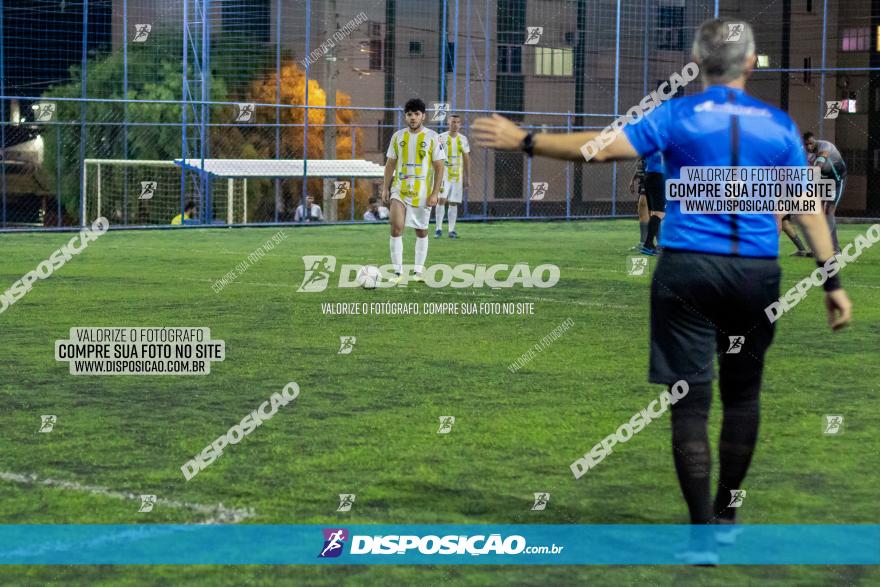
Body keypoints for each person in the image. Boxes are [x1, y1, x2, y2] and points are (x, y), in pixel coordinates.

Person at [472, 18, 851, 564]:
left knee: (689, 405)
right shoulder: (780, 125)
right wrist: (832, 281)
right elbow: (807, 210)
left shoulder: (679, 114)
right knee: (743, 397)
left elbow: (599, 150)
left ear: (699, 61)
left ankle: (701, 536)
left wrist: (524, 139)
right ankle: (727, 517)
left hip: (689, 271)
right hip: (754, 274)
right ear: (749, 64)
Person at [382, 98, 446, 282]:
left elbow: (439, 166)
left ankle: (418, 271)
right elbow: (390, 164)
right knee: (396, 228)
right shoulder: (398, 137)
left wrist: (435, 193)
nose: (413, 118)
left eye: (417, 114)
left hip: (422, 193)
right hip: (399, 189)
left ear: (423, 116)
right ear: (405, 116)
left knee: (421, 231)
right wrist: (386, 187)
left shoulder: (433, 137)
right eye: (409, 114)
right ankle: (397, 273)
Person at [804, 131, 847, 253]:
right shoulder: (807, 154)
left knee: (829, 211)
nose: (809, 147)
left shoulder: (825, 146)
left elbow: (819, 166)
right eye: (806, 144)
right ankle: (835, 248)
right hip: (825, 182)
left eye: (811, 143)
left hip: (838, 180)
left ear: (815, 141)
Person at [436, 113, 471, 239]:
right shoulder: (440, 138)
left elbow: (466, 158)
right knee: (441, 200)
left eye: (457, 122)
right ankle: (438, 229)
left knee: (453, 202)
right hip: (443, 175)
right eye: (452, 122)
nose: (454, 125)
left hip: (457, 175)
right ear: (448, 124)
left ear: (460, 125)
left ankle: (451, 230)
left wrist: (467, 177)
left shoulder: (463, 139)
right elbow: (434, 157)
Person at [640, 151, 666, 255]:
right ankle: (648, 245)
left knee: (653, 212)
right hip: (659, 177)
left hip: (649, 176)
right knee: (660, 213)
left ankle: (651, 245)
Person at [629, 158, 650, 250]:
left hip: (652, 181)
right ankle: (644, 243)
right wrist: (632, 180)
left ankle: (656, 244)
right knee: (643, 212)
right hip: (644, 182)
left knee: (653, 213)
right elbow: (640, 167)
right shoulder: (643, 156)